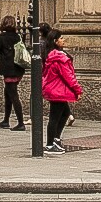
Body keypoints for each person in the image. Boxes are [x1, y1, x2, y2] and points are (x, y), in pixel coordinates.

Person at [41, 26, 81, 154]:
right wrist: (77, 90)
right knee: (55, 117)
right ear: (55, 41)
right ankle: (50, 143)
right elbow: (68, 76)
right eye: (61, 38)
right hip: (58, 91)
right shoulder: (59, 57)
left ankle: (55, 139)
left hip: (55, 89)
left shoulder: (52, 55)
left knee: (64, 114)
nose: (64, 40)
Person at [0, 15, 27, 131]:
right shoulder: (18, 36)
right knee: (7, 93)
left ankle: (21, 122)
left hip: (8, 68)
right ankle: (6, 120)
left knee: (13, 95)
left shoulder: (1, 37)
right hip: (18, 68)